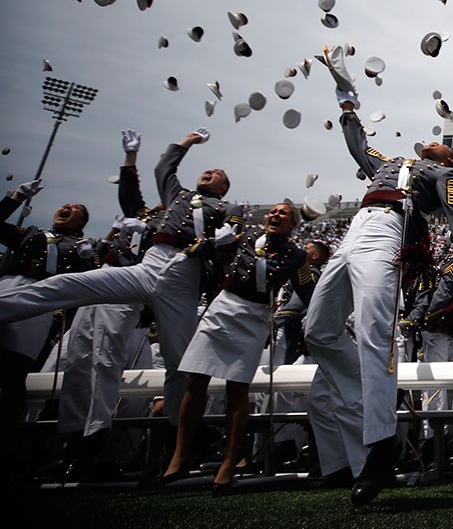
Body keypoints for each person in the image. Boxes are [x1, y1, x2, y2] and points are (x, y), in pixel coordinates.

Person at [303, 79, 453, 507]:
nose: (433, 143)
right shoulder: (392, 161)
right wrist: (348, 107)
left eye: (443, 146)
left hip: (388, 231)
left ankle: (380, 446)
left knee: (374, 333)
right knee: (318, 330)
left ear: (450, 159)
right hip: (357, 228)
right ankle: (369, 402)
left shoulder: (445, 173)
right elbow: (358, 146)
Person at [0, 129, 242, 428]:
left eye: (218, 173)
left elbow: (233, 240)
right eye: (208, 169)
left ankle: (178, 439)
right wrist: (188, 141)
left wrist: (225, 240)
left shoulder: (228, 207)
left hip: (184, 274)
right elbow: (163, 166)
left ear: (224, 187)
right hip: (152, 263)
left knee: (179, 363)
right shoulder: (177, 195)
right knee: (65, 285)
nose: (210, 172)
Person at [162, 202, 314, 494]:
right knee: (195, 380)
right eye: (274, 211)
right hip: (223, 306)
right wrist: (196, 248)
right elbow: (208, 251)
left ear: (293, 225)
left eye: (284, 213)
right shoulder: (244, 238)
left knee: (237, 388)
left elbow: (308, 291)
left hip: (254, 317)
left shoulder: (297, 256)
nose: (275, 215)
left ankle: (230, 462)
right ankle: (180, 455)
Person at [54, 129, 159, 480]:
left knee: (104, 364)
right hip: (102, 282)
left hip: (126, 289)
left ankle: (93, 443)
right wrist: (130, 159)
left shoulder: (169, 227)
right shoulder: (143, 215)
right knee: (78, 359)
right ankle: (70, 437)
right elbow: (131, 195)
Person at [0, 178, 95, 477]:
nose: (66, 208)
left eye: (75, 209)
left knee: (13, 370)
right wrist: (15, 198)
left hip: (41, 301)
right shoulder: (30, 233)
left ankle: (10, 448)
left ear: (82, 222)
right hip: (7, 287)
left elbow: (90, 284)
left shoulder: (81, 247)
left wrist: (91, 259)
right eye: (65, 205)